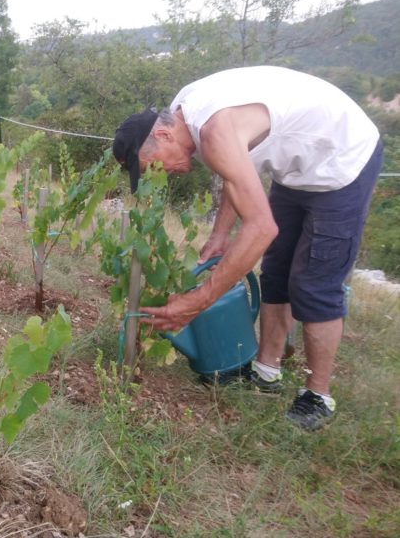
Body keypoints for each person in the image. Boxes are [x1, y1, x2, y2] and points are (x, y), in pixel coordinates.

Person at [113, 65, 383, 431]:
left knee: (313, 283)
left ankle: (317, 396)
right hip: (295, 169)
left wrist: (198, 301)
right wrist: (219, 235)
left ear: (162, 134)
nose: (159, 174)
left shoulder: (212, 128)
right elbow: (235, 169)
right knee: (275, 273)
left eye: (150, 165)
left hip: (341, 160)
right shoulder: (185, 111)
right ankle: (267, 370)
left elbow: (261, 228)